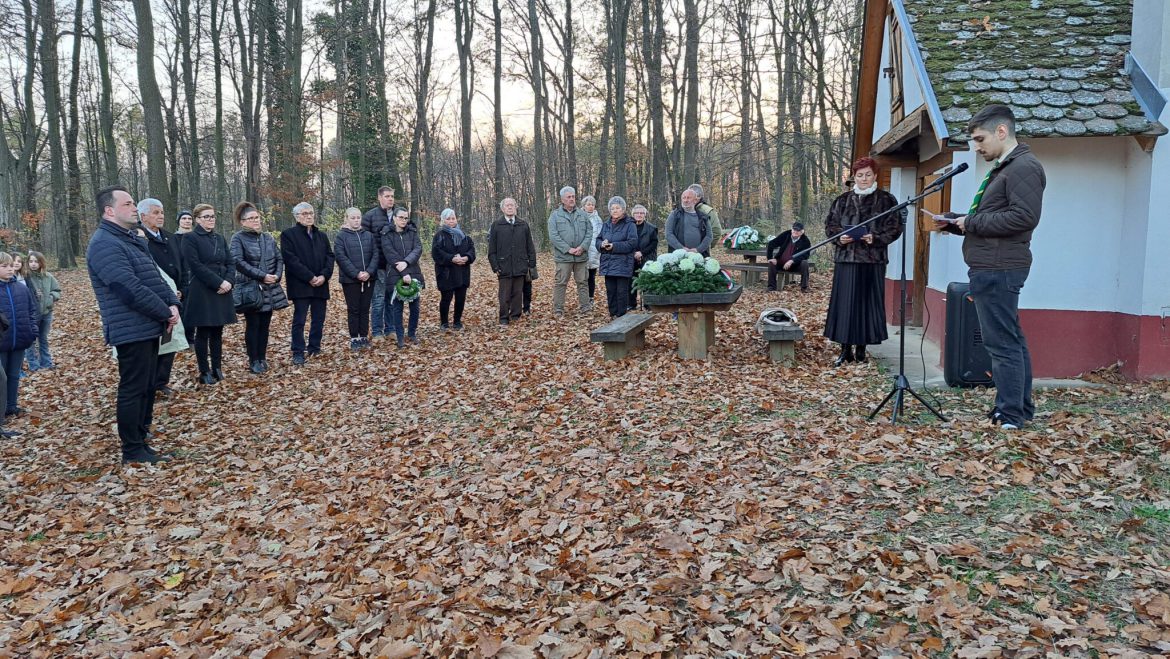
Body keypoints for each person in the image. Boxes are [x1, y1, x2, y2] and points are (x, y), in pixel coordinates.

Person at [933, 104, 1045, 430]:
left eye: (980, 139)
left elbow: (1024, 218)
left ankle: (1010, 415)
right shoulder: (1006, 167)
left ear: (1001, 131)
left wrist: (972, 222)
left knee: (1001, 343)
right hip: (993, 264)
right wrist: (957, 223)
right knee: (1010, 339)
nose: (977, 147)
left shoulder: (1022, 167)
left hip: (999, 268)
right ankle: (1018, 408)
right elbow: (996, 217)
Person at [87, 185, 181, 464]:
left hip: (149, 324)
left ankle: (141, 437)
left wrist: (171, 303)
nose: (133, 207)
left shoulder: (128, 239)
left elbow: (153, 277)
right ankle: (132, 450)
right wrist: (164, 311)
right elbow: (128, 288)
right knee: (134, 387)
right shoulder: (104, 243)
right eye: (127, 204)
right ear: (109, 210)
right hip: (131, 327)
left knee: (148, 384)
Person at [823, 157, 904, 366]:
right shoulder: (842, 200)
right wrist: (840, 237)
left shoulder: (886, 200)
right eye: (860, 175)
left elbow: (894, 228)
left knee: (866, 305)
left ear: (875, 176)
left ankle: (861, 350)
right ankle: (845, 350)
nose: (864, 179)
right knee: (845, 305)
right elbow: (830, 226)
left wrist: (875, 238)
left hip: (872, 261)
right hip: (846, 260)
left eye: (868, 174)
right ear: (854, 177)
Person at [181, 204, 237, 384]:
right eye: (206, 216)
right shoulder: (190, 238)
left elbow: (230, 262)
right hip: (203, 289)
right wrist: (218, 283)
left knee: (217, 331)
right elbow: (195, 265)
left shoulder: (219, 238)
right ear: (197, 219)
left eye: (212, 216)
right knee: (203, 331)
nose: (211, 219)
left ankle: (217, 368)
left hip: (223, 288)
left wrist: (229, 281)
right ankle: (204, 371)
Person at [231, 201, 288, 373]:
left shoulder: (267, 237)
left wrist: (276, 276)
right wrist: (261, 275)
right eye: (251, 218)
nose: (256, 221)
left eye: (257, 217)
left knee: (265, 324)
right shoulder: (238, 238)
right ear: (243, 221)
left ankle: (262, 357)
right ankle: (253, 359)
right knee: (253, 324)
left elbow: (279, 258)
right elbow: (237, 261)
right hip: (251, 289)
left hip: (270, 287)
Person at [138, 199, 185, 394]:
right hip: (152, 296)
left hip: (174, 295)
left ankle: (161, 382)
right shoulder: (138, 238)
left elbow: (180, 264)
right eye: (155, 212)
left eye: (162, 212)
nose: (161, 216)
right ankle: (148, 383)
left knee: (170, 341)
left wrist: (181, 288)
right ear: (142, 217)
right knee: (153, 343)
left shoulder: (170, 237)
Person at [281, 202, 335, 364]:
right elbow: (291, 260)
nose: (309, 216)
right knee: (300, 319)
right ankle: (298, 350)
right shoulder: (288, 235)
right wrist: (310, 277)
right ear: (297, 216)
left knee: (319, 318)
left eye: (311, 213)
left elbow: (330, 257)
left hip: (321, 283)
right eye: (304, 214)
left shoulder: (321, 236)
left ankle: (314, 347)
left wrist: (324, 276)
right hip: (301, 284)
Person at [334, 206, 380, 348]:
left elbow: (375, 254)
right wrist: (356, 273)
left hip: (368, 278)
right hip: (350, 280)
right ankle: (354, 338)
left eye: (358, 217)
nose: (356, 220)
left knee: (365, 308)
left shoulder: (368, 235)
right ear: (346, 219)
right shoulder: (341, 236)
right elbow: (341, 257)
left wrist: (369, 272)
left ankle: (364, 336)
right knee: (354, 309)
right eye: (353, 218)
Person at [0, 252, 38, 422]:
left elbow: (31, 312)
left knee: (14, 375)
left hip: (20, 339)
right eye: (4, 266)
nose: (9, 269)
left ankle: (11, 406)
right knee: (2, 377)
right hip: (2, 341)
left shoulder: (21, 288)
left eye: (10, 266)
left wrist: (32, 332)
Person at [489, 197, 537, 325]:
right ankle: (504, 317)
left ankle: (516, 316)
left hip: (520, 264)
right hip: (503, 265)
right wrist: (495, 266)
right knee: (504, 295)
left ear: (516, 207)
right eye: (507, 205)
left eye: (512, 205)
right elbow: (491, 249)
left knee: (517, 293)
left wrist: (531, 264)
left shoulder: (523, 224)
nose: (510, 207)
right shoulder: (496, 225)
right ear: (502, 209)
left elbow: (530, 246)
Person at [381, 206, 424, 347]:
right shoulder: (386, 234)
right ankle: (400, 336)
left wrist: (406, 262)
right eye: (401, 217)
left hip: (413, 272)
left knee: (415, 307)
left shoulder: (412, 232)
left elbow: (417, 249)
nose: (404, 220)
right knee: (397, 308)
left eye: (406, 218)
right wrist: (404, 272)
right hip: (395, 274)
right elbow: (390, 254)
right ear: (394, 218)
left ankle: (411, 334)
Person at [548, 186, 593, 316]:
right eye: (569, 197)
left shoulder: (583, 214)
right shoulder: (555, 216)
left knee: (583, 282)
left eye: (573, 196)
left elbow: (589, 232)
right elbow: (554, 236)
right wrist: (568, 249)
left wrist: (582, 247)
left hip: (581, 256)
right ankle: (558, 309)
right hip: (563, 257)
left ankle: (585, 307)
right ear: (562, 199)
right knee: (561, 283)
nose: (572, 199)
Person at [362, 186, 398, 340]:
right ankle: (377, 331)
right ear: (380, 197)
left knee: (392, 299)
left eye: (392, 196)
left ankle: (391, 329)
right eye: (387, 196)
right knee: (378, 300)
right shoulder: (370, 216)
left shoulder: (399, 215)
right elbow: (365, 242)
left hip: (395, 267)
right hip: (378, 265)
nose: (390, 199)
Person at [432, 208, 476, 330]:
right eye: (448, 219)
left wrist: (467, 257)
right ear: (443, 220)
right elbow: (436, 253)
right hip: (446, 273)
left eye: (453, 218)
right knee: (446, 298)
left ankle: (457, 321)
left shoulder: (464, 236)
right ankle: (444, 322)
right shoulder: (439, 236)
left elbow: (471, 250)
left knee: (461, 298)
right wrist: (451, 258)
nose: (451, 221)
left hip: (462, 271)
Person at [596, 197, 639, 319]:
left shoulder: (630, 224)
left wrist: (614, 246)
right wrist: (601, 245)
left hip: (623, 264)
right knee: (611, 291)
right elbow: (598, 239)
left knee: (621, 292)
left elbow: (632, 243)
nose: (615, 210)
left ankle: (621, 316)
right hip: (608, 263)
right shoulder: (606, 224)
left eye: (617, 208)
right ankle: (613, 314)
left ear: (623, 209)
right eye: (612, 208)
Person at [23, 251, 61, 372]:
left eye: (36, 261)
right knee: (31, 340)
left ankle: (46, 362)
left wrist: (51, 298)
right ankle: (33, 364)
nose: (33, 264)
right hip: (32, 314)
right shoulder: (26, 277)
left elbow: (57, 290)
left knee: (43, 338)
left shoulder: (48, 276)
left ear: (41, 262)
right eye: (31, 261)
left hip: (46, 312)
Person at [665, 188, 713, 257]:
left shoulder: (703, 217)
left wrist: (698, 250)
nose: (686, 200)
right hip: (678, 256)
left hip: (700, 256)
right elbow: (668, 234)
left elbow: (709, 236)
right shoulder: (674, 215)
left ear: (695, 200)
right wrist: (682, 249)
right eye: (684, 198)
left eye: (688, 198)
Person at [766, 222, 812, 292]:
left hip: (795, 265)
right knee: (771, 264)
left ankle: (804, 288)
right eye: (794, 229)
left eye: (798, 230)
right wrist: (770, 258)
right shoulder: (786, 235)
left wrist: (792, 261)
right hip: (781, 263)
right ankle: (771, 288)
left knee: (804, 263)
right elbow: (771, 244)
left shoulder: (805, 241)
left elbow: (805, 255)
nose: (795, 232)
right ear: (791, 229)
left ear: (802, 232)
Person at [629, 204, 658, 310]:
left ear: (645, 215)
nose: (639, 215)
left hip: (647, 257)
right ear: (633, 214)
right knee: (631, 281)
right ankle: (631, 304)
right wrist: (634, 254)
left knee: (647, 281)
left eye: (642, 213)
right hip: (631, 258)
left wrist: (642, 253)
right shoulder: (628, 226)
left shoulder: (652, 228)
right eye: (637, 213)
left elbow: (654, 243)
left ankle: (648, 304)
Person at [581, 195, 603, 301]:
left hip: (594, 251)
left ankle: (591, 297)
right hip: (582, 251)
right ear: (584, 206)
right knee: (582, 277)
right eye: (588, 204)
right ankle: (583, 298)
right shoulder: (579, 217)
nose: (590, 207)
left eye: (592, 204)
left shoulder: (598, 219)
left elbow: (601, 235)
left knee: (591, 277)